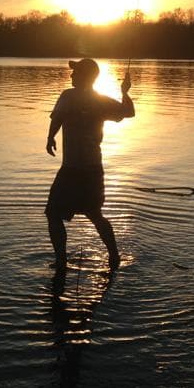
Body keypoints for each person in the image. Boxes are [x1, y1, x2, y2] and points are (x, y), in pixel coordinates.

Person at [45, 58, 134, 273]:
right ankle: (114, 257)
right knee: (95, 214)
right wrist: (125, 91)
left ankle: (61, 262)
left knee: (53, 214)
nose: (71, 75)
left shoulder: (68, 96)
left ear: (86, 75)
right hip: (93, 168)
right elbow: (128, 112)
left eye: (75, 73)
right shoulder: (101, 101)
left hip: (72, 168)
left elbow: (57, 117)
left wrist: (50, 137)